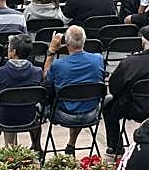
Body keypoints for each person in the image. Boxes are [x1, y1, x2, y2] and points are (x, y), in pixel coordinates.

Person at [103, 25, 149, 154]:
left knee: (108, 106)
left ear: (142, 41)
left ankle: (115, 146)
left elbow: (114, 88)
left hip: (135, 108)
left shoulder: (129, 63)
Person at [43, 25, 106, 154]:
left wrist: (51, 51)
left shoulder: (58, 65)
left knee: (44, 101)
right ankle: (71, 143)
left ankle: (37, 146)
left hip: (65, 115)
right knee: (80, 97)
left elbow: (46, 78)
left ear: (66, 43)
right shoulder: (98, 59)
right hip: (91, 113)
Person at [0, 34, 46, 149]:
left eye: (8, 47)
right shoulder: (37, 72)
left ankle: (4, 144)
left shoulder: (1, 72)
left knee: (2, 104)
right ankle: (33, 147)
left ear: (13, 52)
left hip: (5, 118)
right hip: (28, 117)